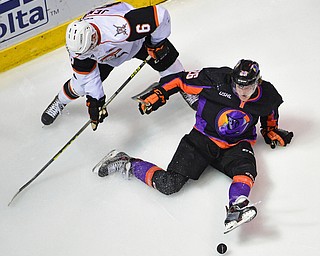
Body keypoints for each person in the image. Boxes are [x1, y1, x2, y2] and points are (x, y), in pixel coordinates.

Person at [92, 59, 294, 233]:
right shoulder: (215, 80)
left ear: (257, 83)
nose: (243, 92)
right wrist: (159, 93)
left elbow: (270, 110)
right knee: (168, 185)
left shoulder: (267, 93)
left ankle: (236, 207)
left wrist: (270, 130)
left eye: (248, 87)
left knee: (246, 171)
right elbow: (180, 79)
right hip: (202, 139)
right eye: (239, 86)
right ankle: (126, 162)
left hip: (236, 144)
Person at [41, 2, 198, 131]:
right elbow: (88, 77)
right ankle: (60, 101)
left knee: (170, 67)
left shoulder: (120, 27)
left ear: (94, 38)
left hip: (136, 43)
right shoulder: (79, 49)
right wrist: (96, 100)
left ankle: (185, 88)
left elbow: (160, 15)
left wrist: (156, 44)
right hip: (106, 58)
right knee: (80, 86)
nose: (84, 55)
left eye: (88, 50)